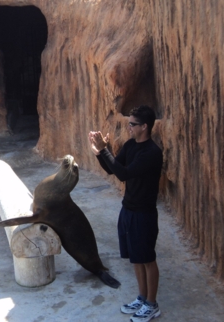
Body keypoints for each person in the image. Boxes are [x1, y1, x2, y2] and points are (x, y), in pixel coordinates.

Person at [88, 105, 163, 322]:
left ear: (144, 127)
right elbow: (113, 169)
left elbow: (125, 174)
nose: (129, 127)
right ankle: (142, 297)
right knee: (136, 259)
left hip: (144, 214)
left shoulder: (152, 153)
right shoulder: (131, 145)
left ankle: (152, 304)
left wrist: (105, 150)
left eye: (132, 124)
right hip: (128, 209)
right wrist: (99, 152)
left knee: (147, 259)